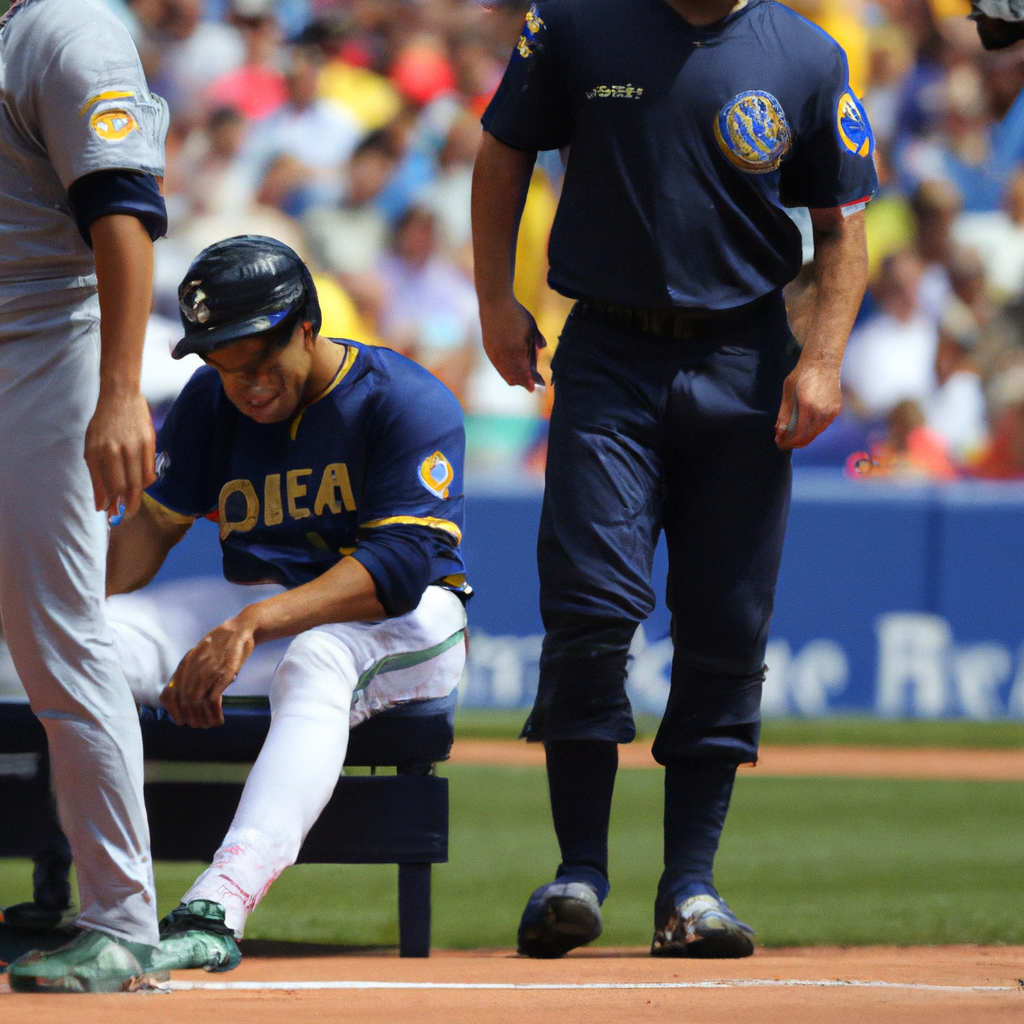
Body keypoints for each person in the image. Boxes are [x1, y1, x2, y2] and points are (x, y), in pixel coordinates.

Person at [471, 0, 876, 958]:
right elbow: (502, 152)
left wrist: (821, 359)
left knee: (726, 629)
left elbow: (842, 226)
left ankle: (690, 889)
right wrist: (494, 299)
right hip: (609, 352)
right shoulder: (575, 22)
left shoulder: (808, 54)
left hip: (745, 361)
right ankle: (579, 871)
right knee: (590, 611)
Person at [102, 235, 468, 972]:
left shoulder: (403, 399)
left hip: (403, 620)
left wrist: (248, 625)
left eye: (262, 359)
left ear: (309, 325)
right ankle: (96, 897)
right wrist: (48, 597)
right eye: (223, 363)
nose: (247, 384)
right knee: (93, 638)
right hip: (265, 613)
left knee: (319, 656)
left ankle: (219, 903)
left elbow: (394, 570)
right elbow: (147, 532)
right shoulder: (213, 400)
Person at [0, 0, 170, 994]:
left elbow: (122, 209)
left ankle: (120, 921)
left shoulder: (67, 29)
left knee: (61, 642)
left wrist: (118, 391)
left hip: (42, 355)